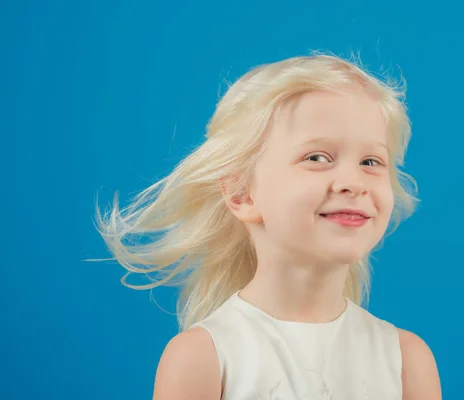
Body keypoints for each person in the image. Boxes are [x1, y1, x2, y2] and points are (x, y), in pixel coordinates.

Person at [93, 51, 442, 399]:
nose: (354, 182)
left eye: (371, 161)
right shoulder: (204, 357)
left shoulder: (406, 360)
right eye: (317, 157)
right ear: (243, 194)